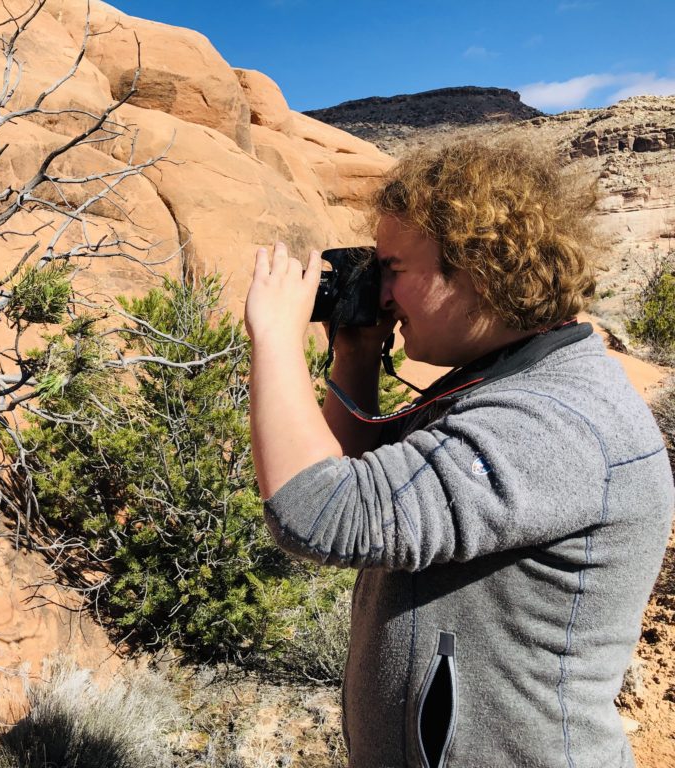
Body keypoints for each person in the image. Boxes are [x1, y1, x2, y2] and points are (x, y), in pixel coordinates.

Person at [245, 140, 674, 768]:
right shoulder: (500, 379)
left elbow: (318, 511)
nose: (382, 293)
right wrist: (357, 357)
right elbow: (351, 476)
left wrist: (275, 339)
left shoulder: (555, 420)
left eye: (394, 268)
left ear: (482, 267)